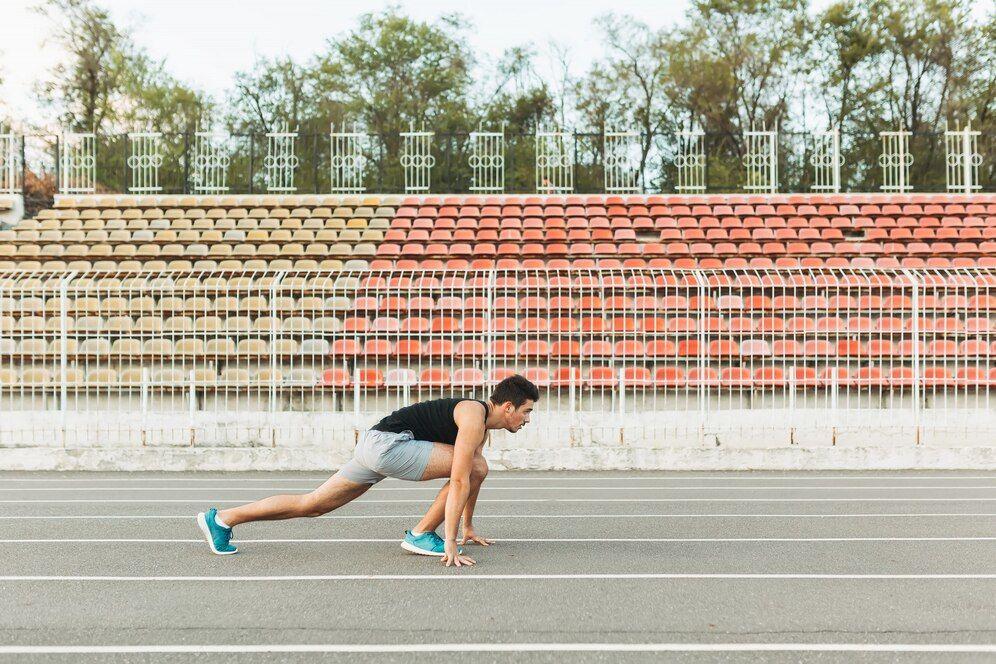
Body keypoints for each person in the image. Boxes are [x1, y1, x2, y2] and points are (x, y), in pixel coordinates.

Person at [197, 374, 539, 567]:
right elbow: (463, 477)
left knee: (313, 504)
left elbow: (469, 479)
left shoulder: (480, 427)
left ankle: (223, 519)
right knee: (475, 466)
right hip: (389, 446)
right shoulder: (472, 416)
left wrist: (467, 525)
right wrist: (449, 540)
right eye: (525, 412)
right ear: (507, 407)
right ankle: (421, 535)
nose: (526, 420)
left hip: (375, 445)